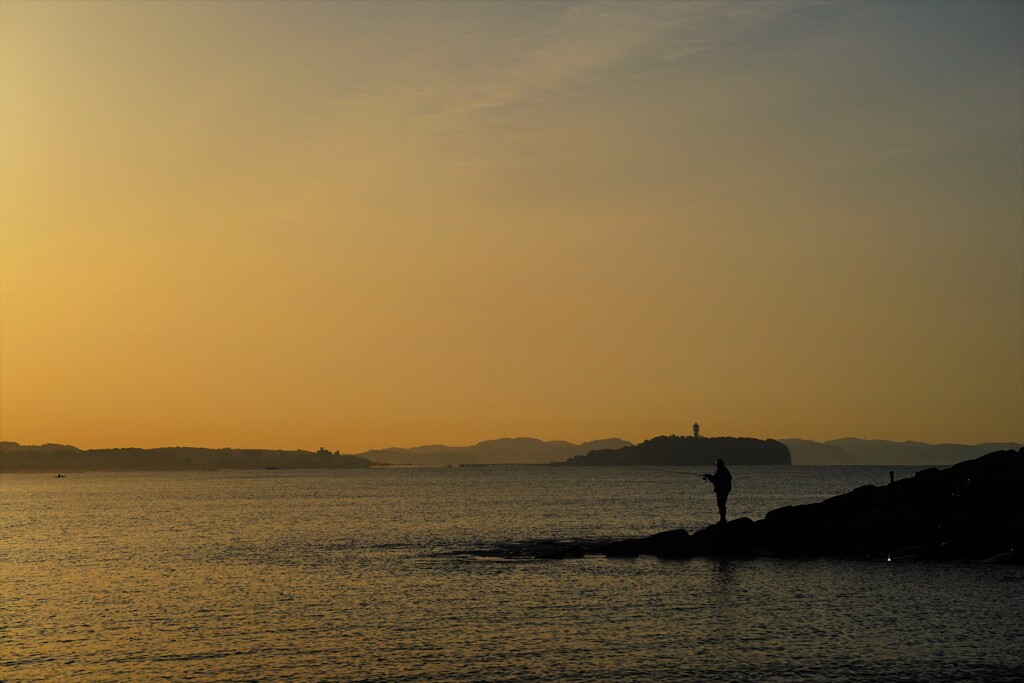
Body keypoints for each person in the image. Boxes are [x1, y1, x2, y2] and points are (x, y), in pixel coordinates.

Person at [703, 459, 732, 524]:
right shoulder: (722, 470)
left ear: (720, 464)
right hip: (723, 490)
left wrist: (708, 476)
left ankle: (723, 519)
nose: (717, 465)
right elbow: (715, 479)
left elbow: (715, 480)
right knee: (721, 505)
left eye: (717, 464)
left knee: (721, 504)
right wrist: (709, 476)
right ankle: (722, 519)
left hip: (722, 491)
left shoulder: (722, 471)